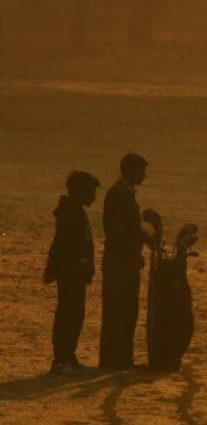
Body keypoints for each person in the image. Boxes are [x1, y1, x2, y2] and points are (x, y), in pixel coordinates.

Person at [43, 171, 100, 374]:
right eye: (91, 192)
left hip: (75, 271)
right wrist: (80, 261)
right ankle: (61, 359)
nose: (93, 197)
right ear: (80, 192)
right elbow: (66, 245)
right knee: (68, 313)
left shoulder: (74, 211)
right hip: (70, 272)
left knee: (75, 313)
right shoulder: (71, 213)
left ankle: (69, 355)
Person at [99, 153, 149, 370]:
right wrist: (134, 251)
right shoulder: (118, 194)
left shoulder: (124, 193)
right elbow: (117, 232)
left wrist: (143, 237)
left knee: (127, 310)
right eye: (141, 171)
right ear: (130, 170)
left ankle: (122, 359)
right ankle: (114, 360)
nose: (144, 176)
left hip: (122, 261)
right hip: (119, 262)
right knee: (118, 310)